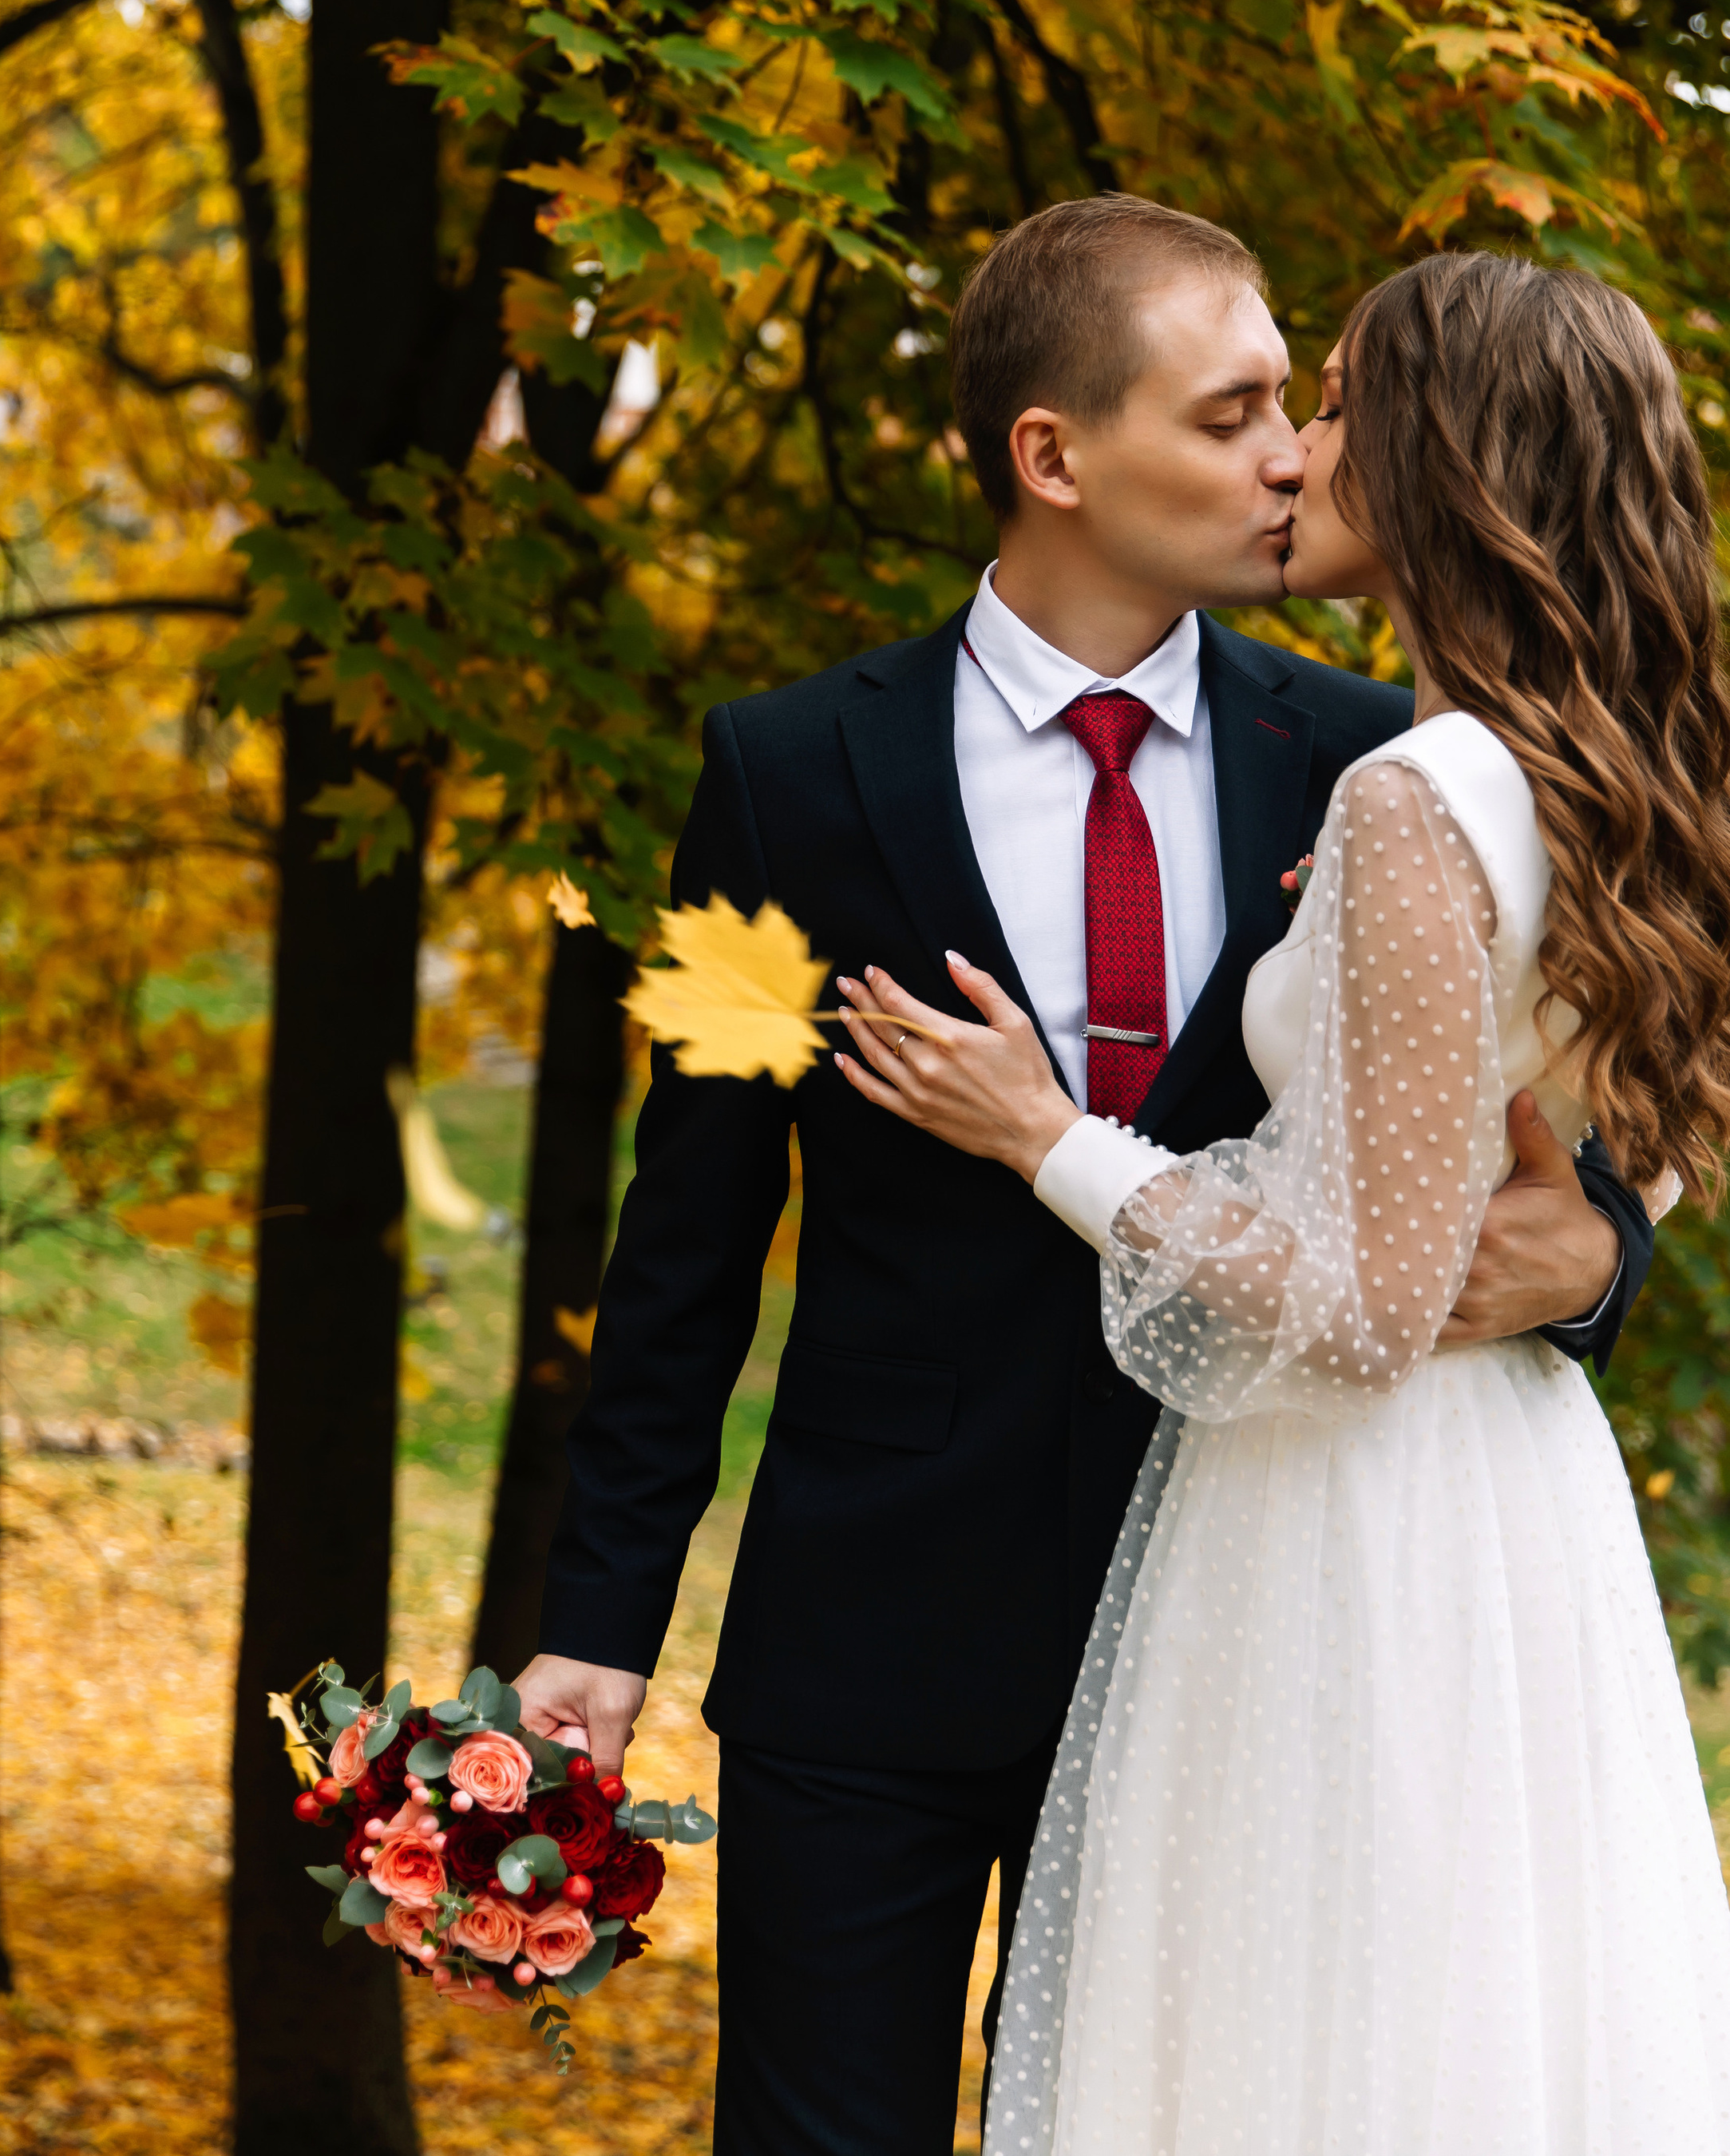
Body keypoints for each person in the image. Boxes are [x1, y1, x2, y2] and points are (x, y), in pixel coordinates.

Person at [514, 199, 1653, 2155]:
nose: (1289, 454)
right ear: (1052, 454)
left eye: (1294, 408)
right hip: (868, 1652)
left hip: (1252, 1627)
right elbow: (684, 1230)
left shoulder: (1380, 753)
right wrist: (594, 1625)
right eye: (1231, 417)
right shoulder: (779, 772)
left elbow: (1548, 1148)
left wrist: (1588, 1274)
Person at [840, 247, 1730, 2153]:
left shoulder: (1412, 796)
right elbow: (1638, 1129)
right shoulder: (1597, 778)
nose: (1296, 452)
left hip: (1351, 1525)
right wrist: (1588, 1216)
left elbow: (1357, 1307)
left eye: (1327, 406)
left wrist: (1041, 1137)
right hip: (1511, 1512)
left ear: (1438, 461)